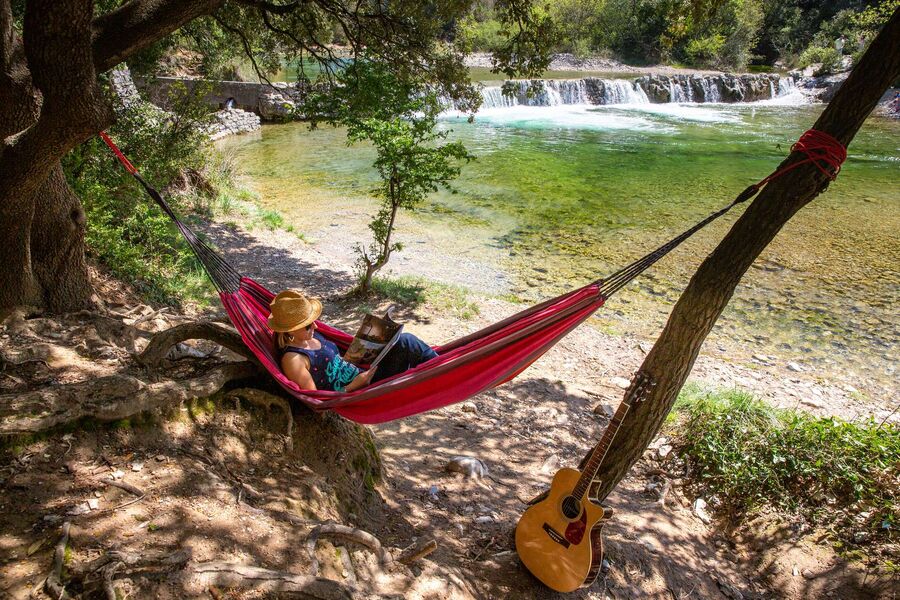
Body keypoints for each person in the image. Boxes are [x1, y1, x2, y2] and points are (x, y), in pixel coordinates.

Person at [268, 290, 438, 392]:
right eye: (307, 326)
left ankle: (442, 367)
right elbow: (314, 399)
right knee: (407, 342)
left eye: (313, 321)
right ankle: (443, 371)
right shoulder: (293, 360)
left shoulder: (311, 336)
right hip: (363, 390)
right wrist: (355, 386)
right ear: (290, 330)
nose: (315, 327)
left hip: (363, 370)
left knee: (400, 341)